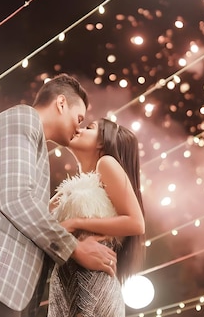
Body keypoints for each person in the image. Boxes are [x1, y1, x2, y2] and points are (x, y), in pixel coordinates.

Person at [0, 73, 117, 317]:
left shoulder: (33, 140)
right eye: (78, 118)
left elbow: (13, 202)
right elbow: (16, 198)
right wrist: (75, 249)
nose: (78, 127)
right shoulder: (23, 118)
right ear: (60, 103)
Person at [48, 118, 146, 317]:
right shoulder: (70, 189)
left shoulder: (106, 163)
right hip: (67, 282)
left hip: (92, 280)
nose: (79, 129)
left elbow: (136, 223)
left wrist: (76, 223)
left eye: (89, 128)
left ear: (102, 142)